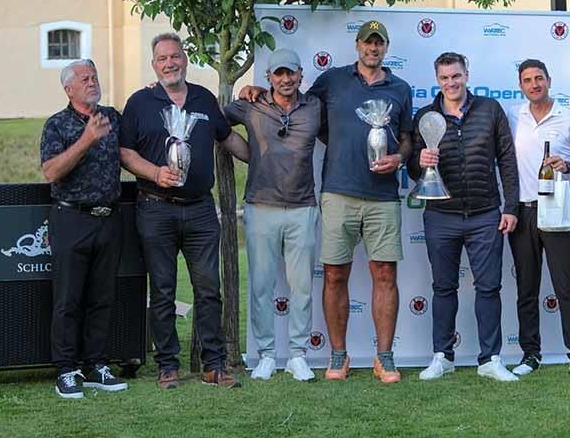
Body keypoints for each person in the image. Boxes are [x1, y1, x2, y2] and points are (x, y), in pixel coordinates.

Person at [239, 20, 412, 383]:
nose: (373, 48)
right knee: (334, 275)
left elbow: (408, 136)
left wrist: (399, 158)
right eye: (368, 42)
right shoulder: (332, 80)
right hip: (336, 192)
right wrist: (256, 89)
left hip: (383, 196)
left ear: (386, 47)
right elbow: (297, 105)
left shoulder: (401, 88)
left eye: (379, 43)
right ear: (358, 45)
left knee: (385, 274)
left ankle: (385, 357)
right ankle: (337, 355)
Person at [120, 33, 249, 389]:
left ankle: (214, 365)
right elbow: (126, 153)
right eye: (162, 59)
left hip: (200, 211)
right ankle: (167, 366)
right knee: (162, 290)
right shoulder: (140, 102)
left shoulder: (205, 99)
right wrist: (155, 172)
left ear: (185, 59)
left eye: (175, 56)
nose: (170, 63)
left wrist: (265, 157)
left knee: (209, 289)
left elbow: (228, 139)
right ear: (153, 65)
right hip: (155, 208)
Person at [408, 52, 520, 382]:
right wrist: (421, 161)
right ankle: (442, 356)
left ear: (466, 74)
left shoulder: (490, 110)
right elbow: (414, 169)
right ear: (437, 80)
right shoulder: (426, 116)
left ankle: (491, 359)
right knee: (443, 287)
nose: (451, 83)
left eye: (456, 76)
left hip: (485, 214)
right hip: (441, 215)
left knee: (489, 288)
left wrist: (510, 206)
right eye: (444, 78)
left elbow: (508, 161)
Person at [224, 48, 322, 382]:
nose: (285, 79)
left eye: (290, 73)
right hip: (260, 206)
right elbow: (216, 120)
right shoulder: (251, 104)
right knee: (262, 285)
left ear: (300, 75)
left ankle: (298, 355)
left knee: (302, 288)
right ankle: (265, 354)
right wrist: (244, 151)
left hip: (303, 208)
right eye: (278, 74)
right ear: (268, 77)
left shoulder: (315, 106)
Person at [40, 59, 128, 398]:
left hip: (108, 219)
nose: (92, 82)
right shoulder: (57, 125)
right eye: (84, 79)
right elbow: (51, 171)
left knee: (102, 297)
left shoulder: (112, 116)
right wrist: (87, 139)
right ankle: (66, 369)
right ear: (69, 89)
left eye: (94, 76)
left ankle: (96, 365)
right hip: (71, 218)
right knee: (68, 298)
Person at [506, 59, 570, 379]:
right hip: (524, 210)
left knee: (565, 285)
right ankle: (530, 354)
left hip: (557, 209)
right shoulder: (514, 116)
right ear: (521, 86)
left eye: (539, 78)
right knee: (526, 288)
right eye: (527, 80)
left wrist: (566, 166)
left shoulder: (567, 118)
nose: (534, 85)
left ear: (549, 80)